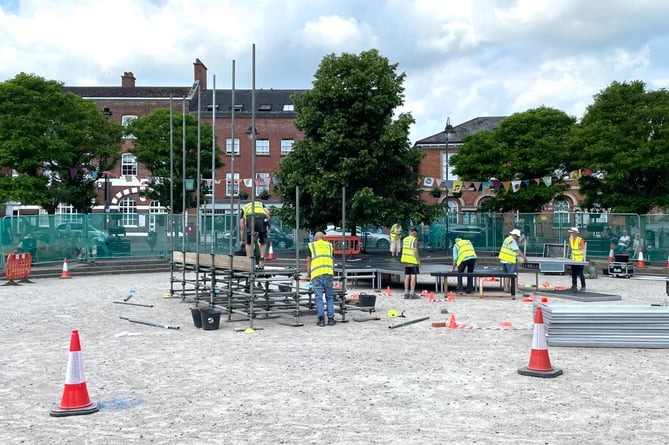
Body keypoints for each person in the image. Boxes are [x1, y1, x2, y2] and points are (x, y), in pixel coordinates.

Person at [306, 232, 336, 327]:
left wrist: (308, 273)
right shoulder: (329, 245)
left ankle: (321, 320)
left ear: (315, 238)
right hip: (328, 273)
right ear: (324, 238)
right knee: (329, 297)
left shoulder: (312, 246)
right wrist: (332, 271)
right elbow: (332, 259)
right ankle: (331, 319)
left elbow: (308, 260)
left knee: (319, 298)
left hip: (316, 274)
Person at [239, 201, 270, 268]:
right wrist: (266, 221)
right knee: (263, 241)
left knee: (249, 243)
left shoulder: (244, 207)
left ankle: (249, 261)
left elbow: (242, 226)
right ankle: (261, 260)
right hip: (262, 217)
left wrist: (242, 239)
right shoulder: (260, 204)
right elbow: (267, 212)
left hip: (250, 217)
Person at [401, 227, 420, 299]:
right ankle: (412, 293)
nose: (416, 235)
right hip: (412, 260)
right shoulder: (414, 240)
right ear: (414, 232)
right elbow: (415, 251)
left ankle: (406, 293)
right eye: (416, 233)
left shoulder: (405, 239)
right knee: (413, 276)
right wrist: (418, 261)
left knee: (407, 276)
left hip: (406, 260)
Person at [568, 227, 586, 292]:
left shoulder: (580, 240)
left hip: (580, 259)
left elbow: (583, 249)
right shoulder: (570, 239)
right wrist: (571, 256)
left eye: (571, 232)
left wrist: (583, 258)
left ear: (575, 233)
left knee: (580, 273)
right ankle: (574, 285)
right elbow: (572, 249)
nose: (570, 233)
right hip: (574, 259)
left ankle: (583, 286)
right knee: (574, 273)